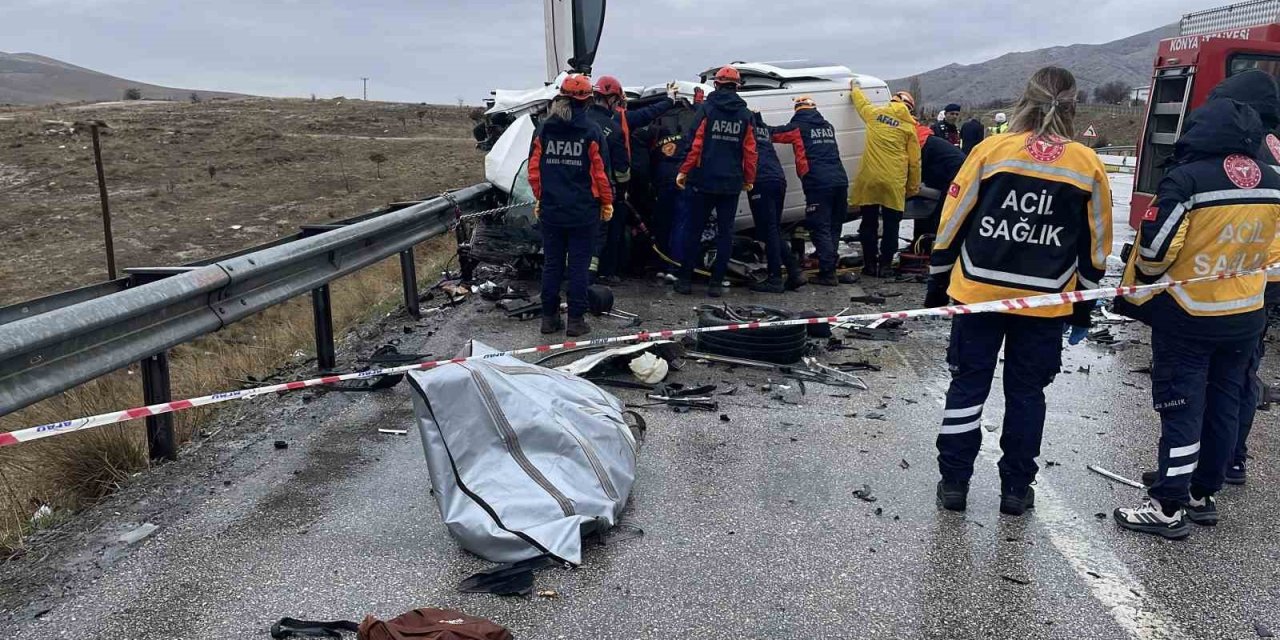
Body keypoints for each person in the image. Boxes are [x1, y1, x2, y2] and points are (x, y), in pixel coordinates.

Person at [926, 67, 1112, 516]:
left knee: (967, 386)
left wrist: (937, 280)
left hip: (977, 292)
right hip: (1046, 301)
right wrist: (1083, 306)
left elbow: (953, 218)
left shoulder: (990, 150)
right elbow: (1097, 243)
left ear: (1023, 100)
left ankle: (954, 483)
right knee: (1027, 394)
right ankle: (1015, 488)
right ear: (1073, 106)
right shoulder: (1086, 163)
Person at [1111, 99, 1280, 541]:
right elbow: (1274, 257)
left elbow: (1155, 251)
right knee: (1224, 405)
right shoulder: (1274, 180)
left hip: (1189, 315)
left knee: (1182, 408)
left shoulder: (1186, 179)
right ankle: (1203, 495)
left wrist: (1148, 281)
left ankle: (1167, 506)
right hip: (1246, 315)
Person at [528, 74, 614, 337]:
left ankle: (548, 319)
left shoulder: (544, 129)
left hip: (552, 211)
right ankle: (575, 321)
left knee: (552, 265)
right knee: (578, 266)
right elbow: (600, 173)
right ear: (588, 101)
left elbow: (534, 170)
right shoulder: (591, 131)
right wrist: (607, 202)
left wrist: (540, 197)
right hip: (583, 212)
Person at [674, 66, 757, 297]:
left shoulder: (707, 109)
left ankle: (685, 281)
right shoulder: (745, 115)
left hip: (703, 180)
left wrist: (683, 170)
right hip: (731, 183)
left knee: (694, 230)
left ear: (717, 84)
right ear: (736, 87)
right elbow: (750, 152)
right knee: (725, 233)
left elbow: (695, 144)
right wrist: (749, 178)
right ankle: (716, 284)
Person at [591, 76, 679, 284]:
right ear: (613, 98)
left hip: (585, 187)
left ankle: (584, 272)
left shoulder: (582, 119)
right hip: (611, 188)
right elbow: (648, 114)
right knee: (612, 230)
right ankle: (607, 272)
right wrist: (669, 100)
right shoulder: (618, 121)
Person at [771, 96, 850, 286]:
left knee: (819, 227)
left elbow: (774, 134)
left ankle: (828, 273)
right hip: (840, 180)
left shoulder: (798, 127)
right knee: (833, 226)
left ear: (797, 110)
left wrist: (756, 122)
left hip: (818, 183)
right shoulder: (828, 127)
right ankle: (829, 265)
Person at [847, 81, 921, 277]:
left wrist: (855, 88)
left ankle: (870, 265)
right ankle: (886, 266)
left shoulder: (874, 114)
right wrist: (912, 187)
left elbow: (861, 103)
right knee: (891, 226)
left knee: (868, 223)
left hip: (870, 179)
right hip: (894, 182)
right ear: (909, 108)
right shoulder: (909, 127)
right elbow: (915, 162)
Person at [748, 110, 805, 292]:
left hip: (761, 179)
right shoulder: (764, 129)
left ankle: (776, 278)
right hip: (777, 179)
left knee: (769, 230)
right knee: (772, 229)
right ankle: (794, 272)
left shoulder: (745, 128)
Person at [911, 122, 966, 248]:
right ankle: (920, 244)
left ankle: (933, 246)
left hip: (958, 175)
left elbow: (916, 171)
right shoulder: (926, 140)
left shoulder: (920, 144)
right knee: (928, 208)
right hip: (949, 173)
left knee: (941, 211)